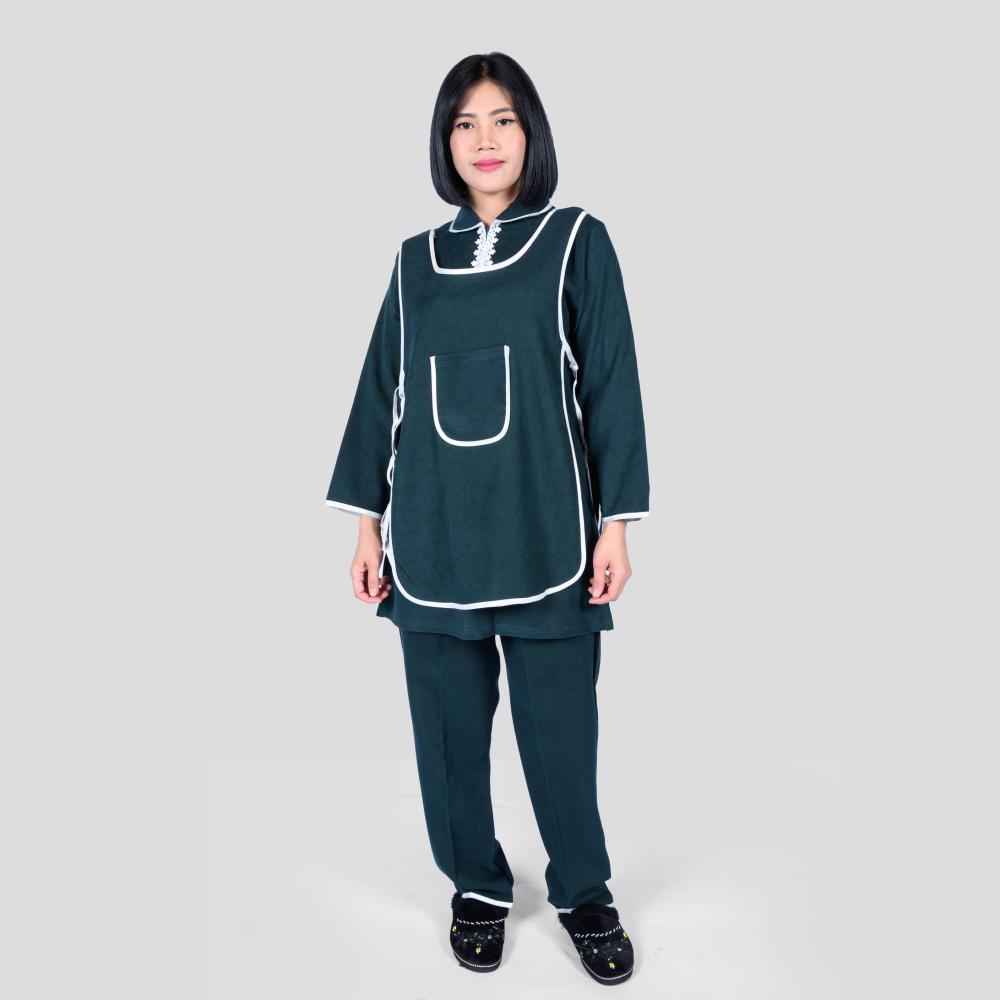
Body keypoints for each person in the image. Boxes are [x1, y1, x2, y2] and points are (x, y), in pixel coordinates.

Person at [324, 52, 650, 985]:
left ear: (531, 131)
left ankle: (584, 891)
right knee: (447, 738)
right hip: (433, 537)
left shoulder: (576, 241)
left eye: (502, 119)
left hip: (548, 530)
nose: (485, 139)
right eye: (464, 123)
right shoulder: (413, 263)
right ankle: (476, 884)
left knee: (561, 737)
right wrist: (366, 525)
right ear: (445, 143)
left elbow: (613, 385)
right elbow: (377, 393)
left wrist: (617, 524)